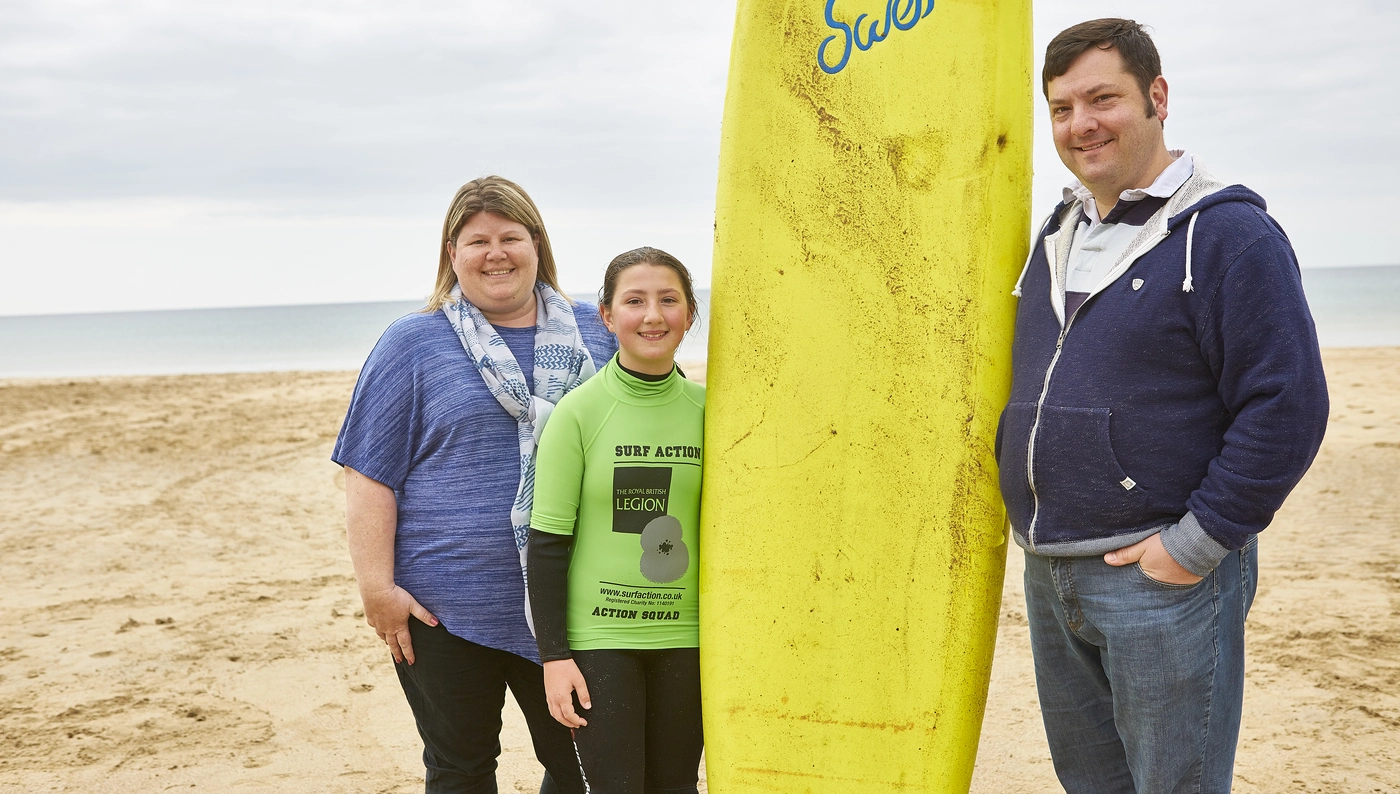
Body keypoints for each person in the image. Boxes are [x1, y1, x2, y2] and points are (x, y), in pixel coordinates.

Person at [996, 19, 1329, 794]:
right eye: (1062, 108)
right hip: (1051, 571)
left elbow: (1287, 404)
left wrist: (1195, 544)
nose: (1082, 124)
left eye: (1102, 98)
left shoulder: (1229, 234)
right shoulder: (1056, 231)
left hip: (1159, 576)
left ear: (1157, 97)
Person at [332, 175, 617, 793]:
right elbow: (368, 472)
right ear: (451, 255)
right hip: (444, 611)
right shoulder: (413, 344)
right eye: (477, 240)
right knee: (460, 770)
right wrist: (376, 589)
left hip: (576, 603)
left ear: (537, 245)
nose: (496, 253)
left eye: (511, 236)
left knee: (583, 769)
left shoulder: (601, 337)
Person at [526, 247, 705, 794]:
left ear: (690, 315)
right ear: (607, 317)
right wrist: (555, 658)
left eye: (668, 300)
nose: (653, 315)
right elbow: (548, 543)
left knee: (676, 786)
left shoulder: (713, 411)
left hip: (690, 635)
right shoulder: (578, 413)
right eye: (635, 301)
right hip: (601, 637)